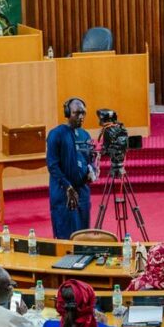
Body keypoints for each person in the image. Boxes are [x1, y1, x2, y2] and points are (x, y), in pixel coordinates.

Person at [47, 98, 95, 239]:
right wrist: (68, 187)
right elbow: (52, 165)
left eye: (83, 113)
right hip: (63, 193)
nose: (81, 117)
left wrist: (92, 170)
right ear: (68, 113)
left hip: (82, 193)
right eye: (77, 113)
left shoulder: (85, 135)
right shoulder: (56, 134)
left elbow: (90, 160)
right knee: (66, 236)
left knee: (83, 235)